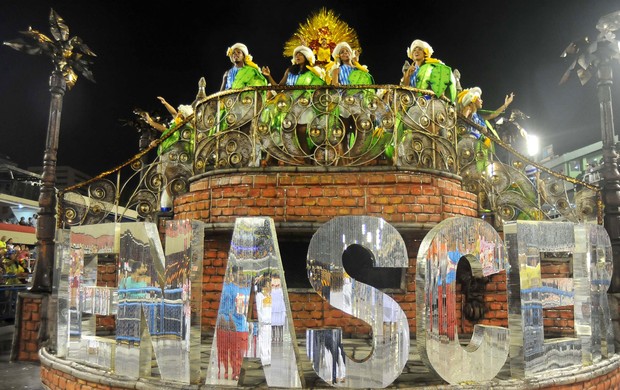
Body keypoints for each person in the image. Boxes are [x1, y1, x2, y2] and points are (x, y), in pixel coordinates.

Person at [261, 46, 326, 156]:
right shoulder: (289, 71)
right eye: (296, 55)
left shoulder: (311, 73)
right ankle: (294, 160)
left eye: (300, 54)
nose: (297, 56)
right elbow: (279, 87)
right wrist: (269, 76)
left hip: (304, 107)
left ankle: (307, 161)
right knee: (289, 134)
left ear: (306, 57)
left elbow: (321, 87)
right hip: (289, 106)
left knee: (301, 134)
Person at [142, 97, 194, 211]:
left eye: (180, 114)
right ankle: (169, 208)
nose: (177, 115)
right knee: (167, 182)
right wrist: (151, 122)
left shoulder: (186, 127)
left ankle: (176, 206)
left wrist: (165, 103)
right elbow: (163, 129)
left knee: (172, 179)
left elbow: (173, 113)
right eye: (178, 114)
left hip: (180, 158)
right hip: (169, 156)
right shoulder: (175, 127)